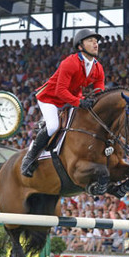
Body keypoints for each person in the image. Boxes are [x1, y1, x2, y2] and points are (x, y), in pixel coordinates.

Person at [21, 29, 105, 177]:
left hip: (71, 99)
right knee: (53, 126)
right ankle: (29, 157)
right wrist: (79, 102)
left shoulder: (98, 67)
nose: (95, 44)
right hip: (50, 99)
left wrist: (95, 102)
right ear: (80, 46)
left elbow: (99, 89)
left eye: (96, 41)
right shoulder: (70, 62)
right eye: (91, 41)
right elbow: (60, 91)